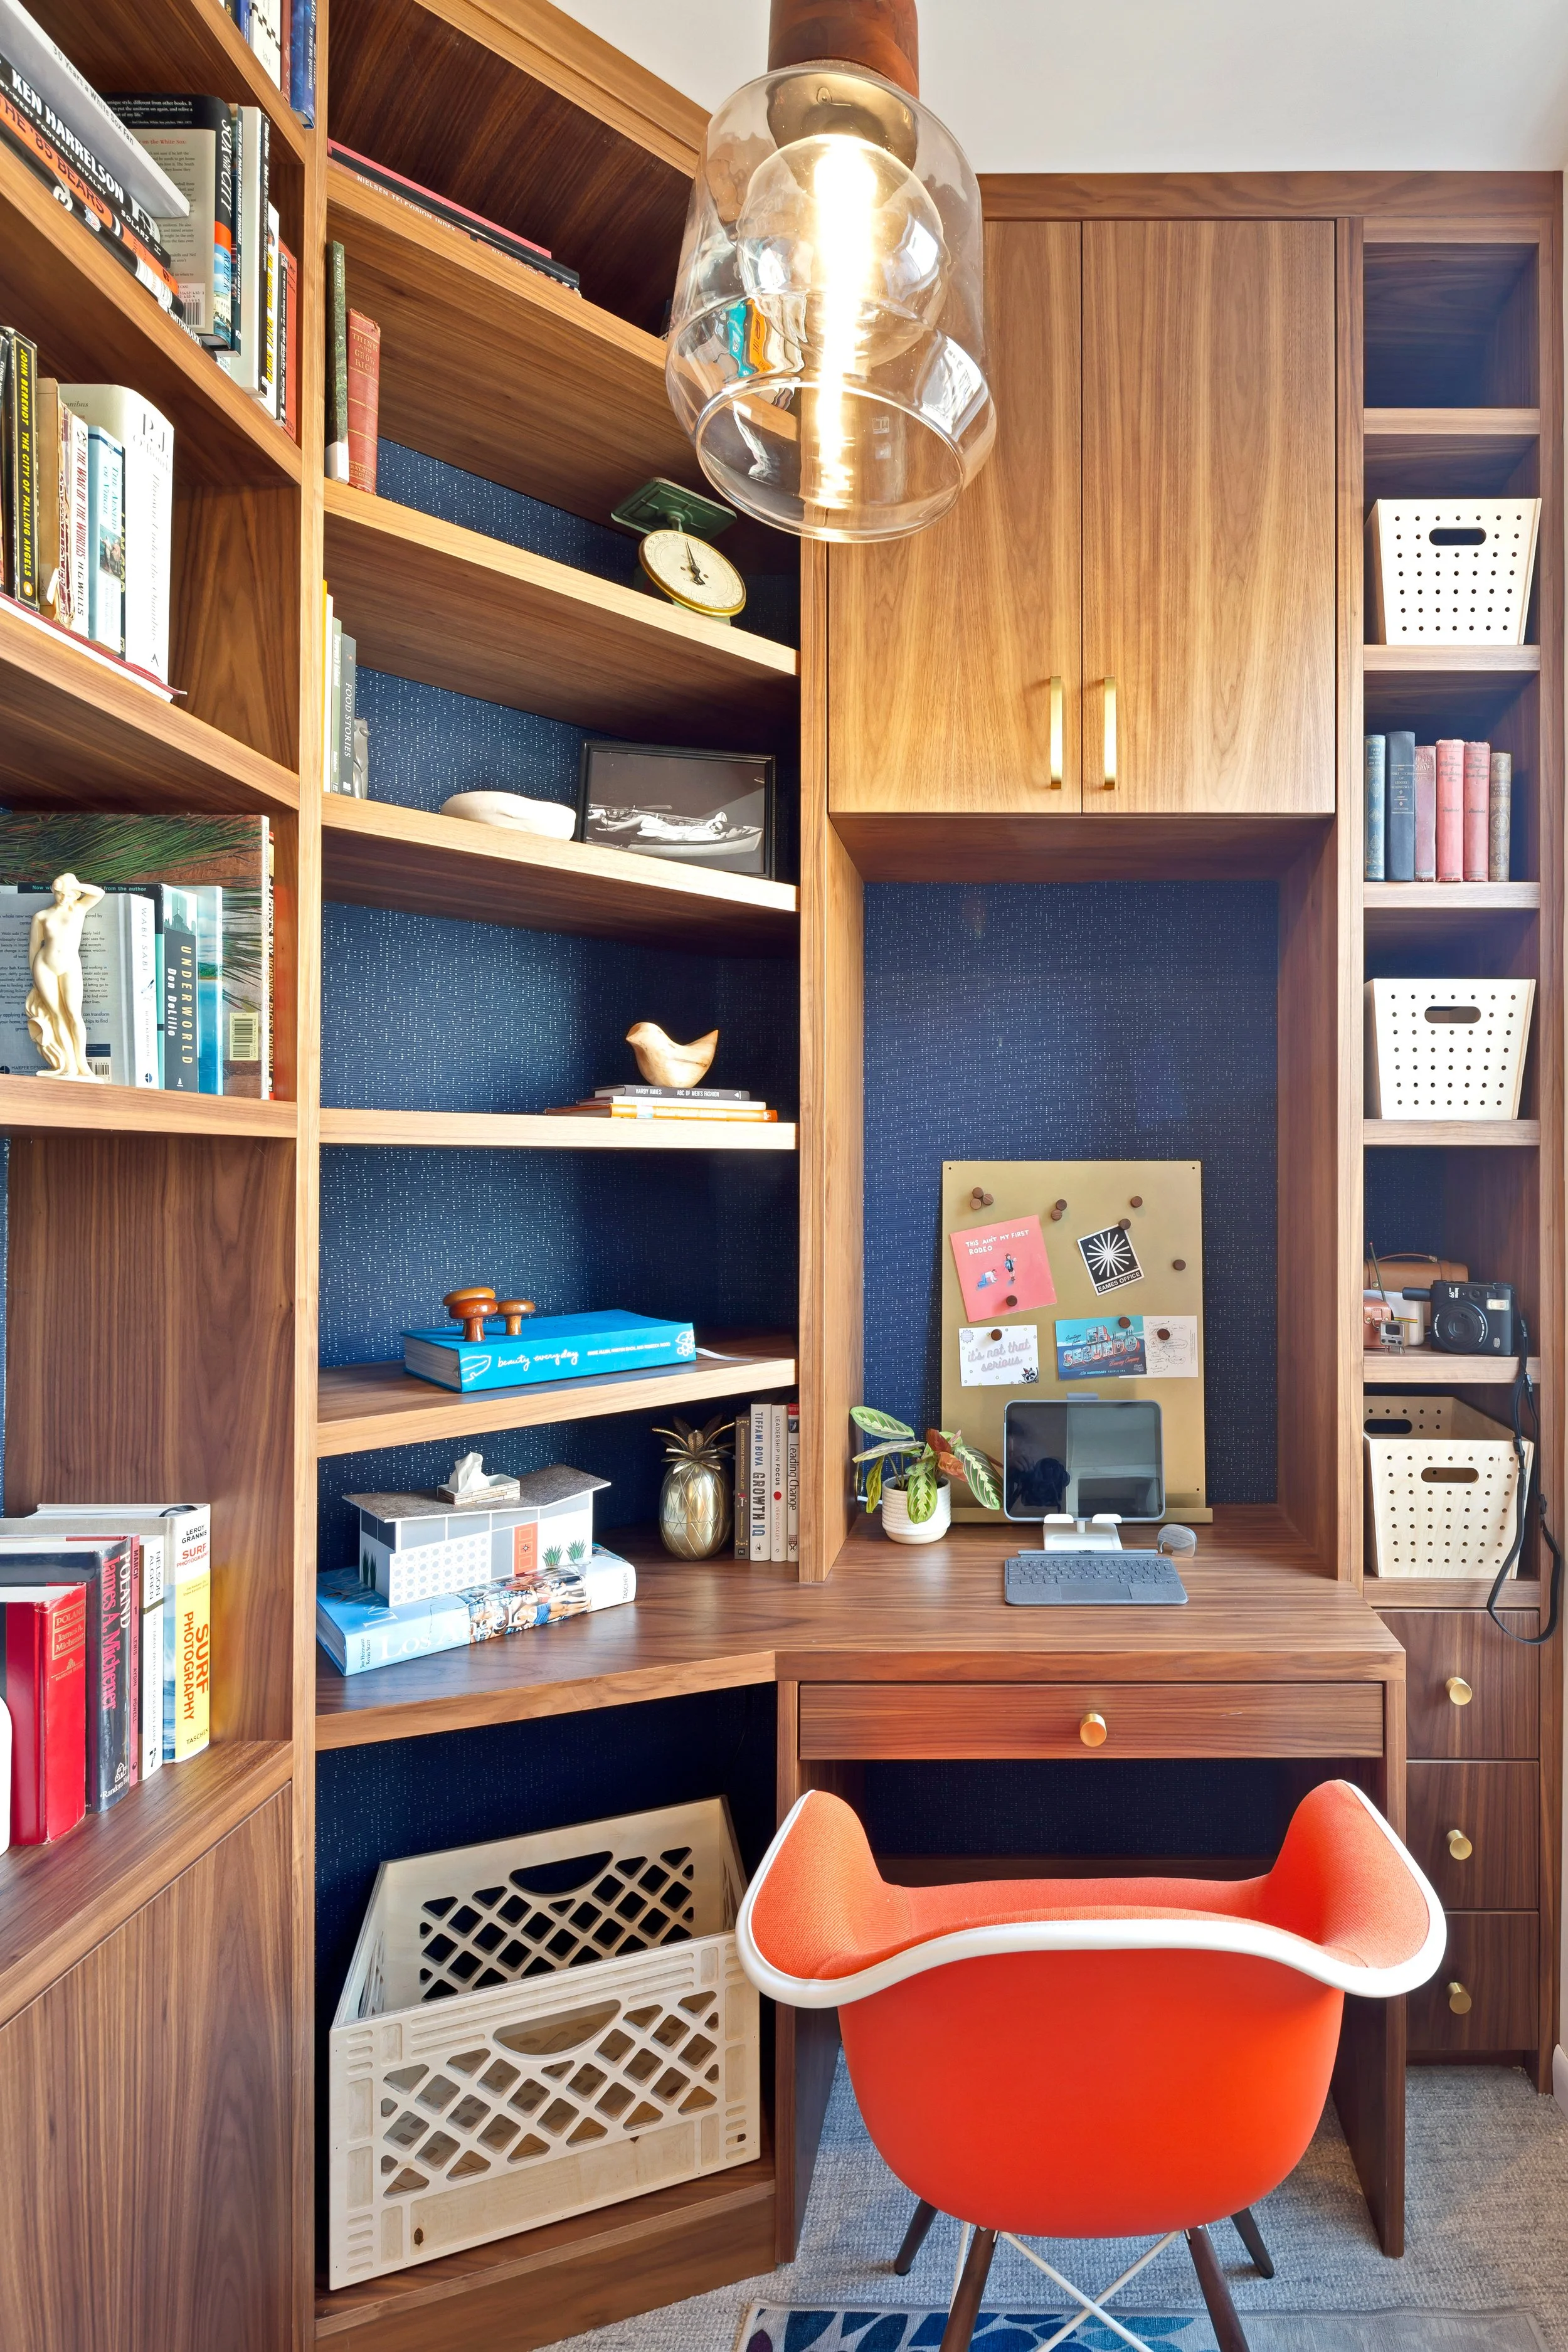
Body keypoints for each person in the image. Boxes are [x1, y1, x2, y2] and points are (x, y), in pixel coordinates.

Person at [26, 872, 104, 1081]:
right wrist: (34, 978)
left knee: (74, 1015)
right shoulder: (42, 916)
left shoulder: (79, 909)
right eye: (59, 893)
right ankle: (68, 1065)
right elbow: (34, 949)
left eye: (68, 894)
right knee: (57, 1016)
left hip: (70, 965)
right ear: (53, 892)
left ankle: (83, 1066)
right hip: (44, 966)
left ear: (75, 893)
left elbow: (99, 893)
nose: (63, 898)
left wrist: (76, 884)